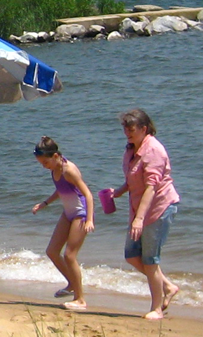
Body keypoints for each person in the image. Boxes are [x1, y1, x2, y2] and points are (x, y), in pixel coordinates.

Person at [110, 109, 181, 320]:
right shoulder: (132, 148)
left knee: (150, 260)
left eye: (131, 130)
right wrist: (119, 192)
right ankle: (168, 287)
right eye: (125, 129)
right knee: (132, 255)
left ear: (144, 128)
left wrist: (139, 219)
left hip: (158, 208)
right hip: (139, 208)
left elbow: (151, 187)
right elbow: (134, 178)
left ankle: (157, 308)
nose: (127, 133)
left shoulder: (153, 151)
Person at [30, 136, 95, 311]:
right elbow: (61, 190)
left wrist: (89, 219)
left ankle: (80, 299)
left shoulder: (69, 170)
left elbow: (88, 194)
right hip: (68, 213)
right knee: (52, 251)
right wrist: (44, 204)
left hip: (80, 214)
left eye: (45, 162)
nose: (44, 166)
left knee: (70, 255)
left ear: (56, 156)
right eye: (41, 163)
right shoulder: (55, 169)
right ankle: (72, 283)